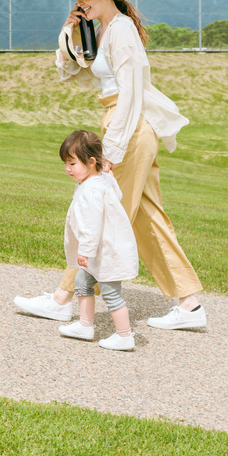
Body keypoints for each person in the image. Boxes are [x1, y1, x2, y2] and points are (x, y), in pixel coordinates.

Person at [15, 0, 207, 330]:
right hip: (121, 122)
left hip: (129, 126)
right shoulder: (102, 30)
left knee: (100, 214)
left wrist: (112, 153)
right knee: (148, 218)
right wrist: (69, 31)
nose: (79, 1)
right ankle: (189, 305)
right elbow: (70, 71)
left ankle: (62, 299)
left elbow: (132, 93)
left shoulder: (121, 31)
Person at [56, 130, 139, 350]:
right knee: (82, 282)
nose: (67, 169)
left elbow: (90, 226)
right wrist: (109, 176)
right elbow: (117, 196)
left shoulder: (91, 191)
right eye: (65, 163)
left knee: (112, 293)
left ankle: (124, 335)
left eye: (72, 163)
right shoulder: (100, 181)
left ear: (92, 162)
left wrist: (85, 251)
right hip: (101, 251)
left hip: (104, 253)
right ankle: (85, 324)